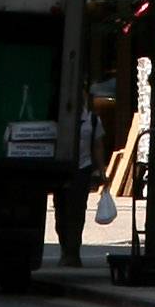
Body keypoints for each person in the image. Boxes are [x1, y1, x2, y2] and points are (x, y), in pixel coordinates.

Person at [55, 96, 104, 267]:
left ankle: (73, 251)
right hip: (63, 168)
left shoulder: (92, 120)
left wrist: (101, 171)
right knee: (61, 209)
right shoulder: (61, 118)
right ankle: (64, 247)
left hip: (82, 169)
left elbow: (97, 146)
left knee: (77, 212)